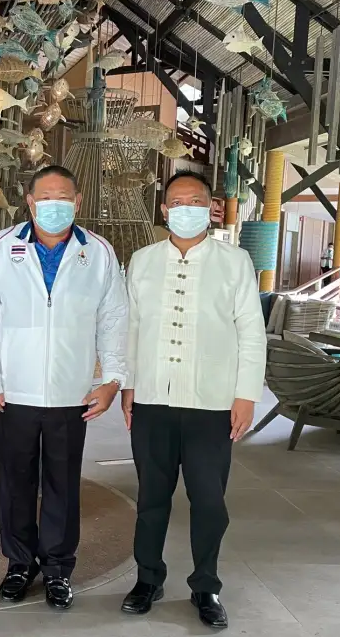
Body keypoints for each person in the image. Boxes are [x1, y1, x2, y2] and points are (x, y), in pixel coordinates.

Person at [0, 165, 128, 610]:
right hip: (14, 392)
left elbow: (114, 320)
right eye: (45, 197)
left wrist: (112, 380)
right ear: (30, 202)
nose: (54, 205)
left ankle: (58, 568)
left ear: (78, 202)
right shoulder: (2, 247)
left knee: (62, 483)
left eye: (64, 197)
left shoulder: (98, 252)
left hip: (71, 392)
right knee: (15, 481)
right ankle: (20, 563)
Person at [119, 171, 266, 629]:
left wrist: (246, 395)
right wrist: (128, 384)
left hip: (212, 403)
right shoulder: (142, 261)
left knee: (208, 502)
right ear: (164, 210)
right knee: (151, 498)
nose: (186, 209)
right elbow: (131, 327)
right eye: (177, 202)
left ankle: (206, 586)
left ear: (211, 209)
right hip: (153, 399)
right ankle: (148, 578)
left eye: (196, 201)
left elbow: (251, 331)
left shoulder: (235, 262)